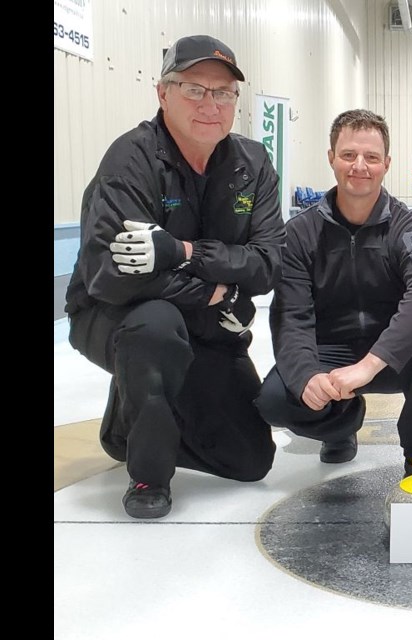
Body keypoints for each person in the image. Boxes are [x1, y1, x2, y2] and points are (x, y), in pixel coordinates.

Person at [65, 35, 285, 519]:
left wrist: (183, 251)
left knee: (250, 461)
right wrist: (216, 290)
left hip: (205, 326)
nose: (211, 105)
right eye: (194, 89)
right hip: (113, 316)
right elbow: (113, 279)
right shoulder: (131, 160)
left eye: (223, 93)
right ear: (162, 93)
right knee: (156, 326)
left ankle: (128, 424)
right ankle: (149, 476)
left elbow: (268, 264)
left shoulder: (252, 164)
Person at [256, 109, 412, 475]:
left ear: (386, 164)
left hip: (390, 353)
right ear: (331, 158)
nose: (359, 166)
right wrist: (306, 378)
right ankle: (342, 423)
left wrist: (369, 365)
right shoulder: (300, 233)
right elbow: (291, 315)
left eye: (371, 157)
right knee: (273, 401)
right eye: (348, 155)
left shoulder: (405, 224)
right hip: (330, 353)